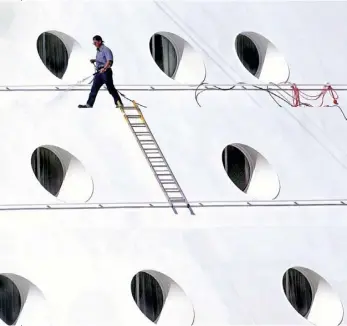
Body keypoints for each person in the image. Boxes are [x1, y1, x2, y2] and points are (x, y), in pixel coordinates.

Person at [78, 35, 123, 108]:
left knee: (110, 88)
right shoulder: (98, 51)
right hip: (99, 72)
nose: (94, 44)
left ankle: (118, 103)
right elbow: (103, 60)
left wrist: (104, 68)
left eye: (95, 42)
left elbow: (109, 61)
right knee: (94, 88)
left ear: (99, 41)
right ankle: (89, 104)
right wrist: (95, 60)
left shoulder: (106, 49)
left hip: (106, 72)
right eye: (94, 43)